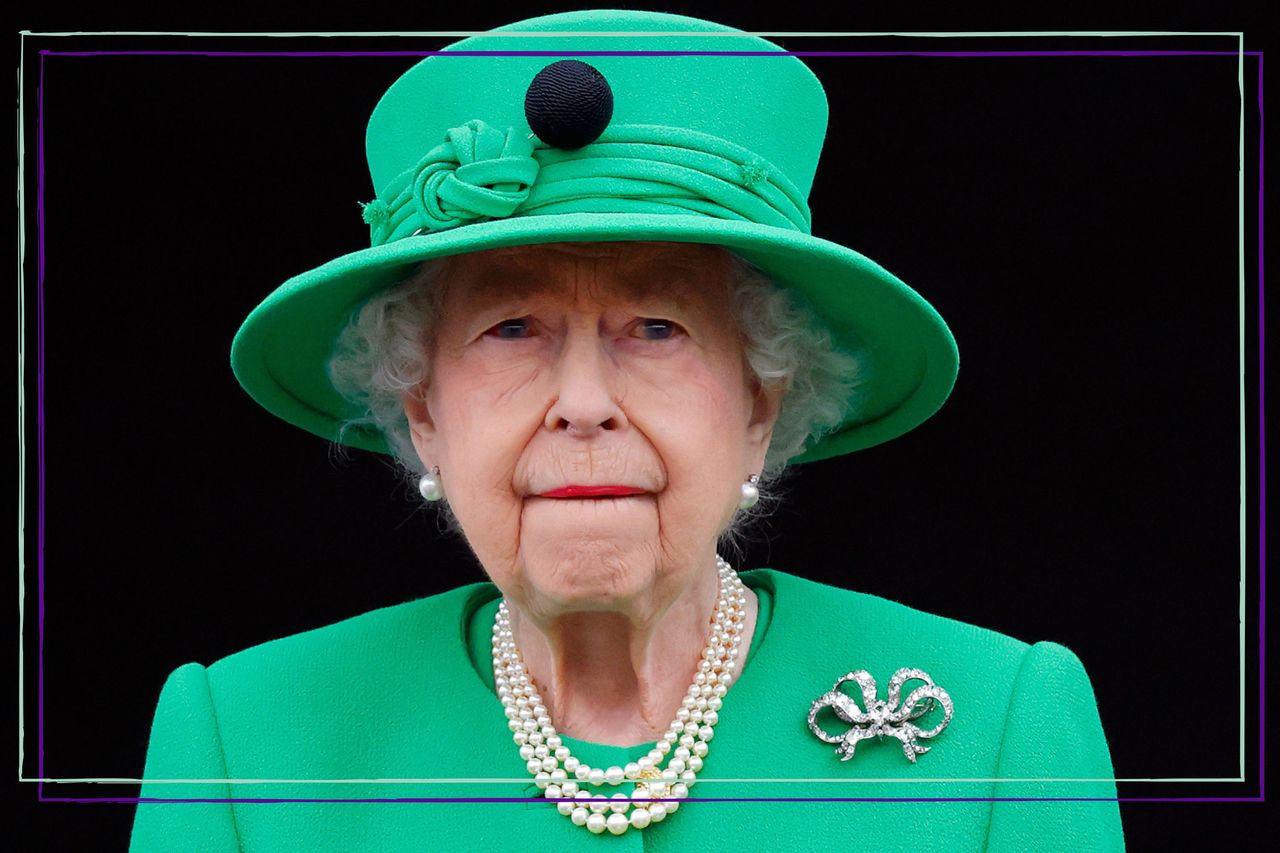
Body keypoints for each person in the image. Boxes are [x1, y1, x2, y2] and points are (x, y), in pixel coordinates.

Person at [130, 9, 1124, 850]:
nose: (582, 400)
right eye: (511, 327)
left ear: (757, 403)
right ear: (424, 412)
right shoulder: (242, 748)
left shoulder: (998, 727)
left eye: (654, 327)